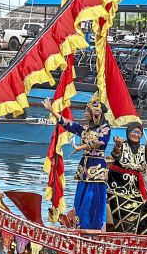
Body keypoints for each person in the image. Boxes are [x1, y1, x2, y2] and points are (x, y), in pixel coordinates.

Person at [43, 97, 110, 231]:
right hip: (85, 166)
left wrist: (80, 148)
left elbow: (100, 142)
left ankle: (93, 226)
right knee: (80, 196)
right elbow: (68, 124)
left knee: (92, 199)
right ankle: (79, 224)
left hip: (97, 167)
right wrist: (51, 110)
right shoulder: (85, 128)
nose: (85, 114)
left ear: (96, 113)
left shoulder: (105, 128)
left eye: (87, 111)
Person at [108, 120, 147, 234]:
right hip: (119, 193)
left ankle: (144, 244)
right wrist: (117, 146)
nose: (136, 135)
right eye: (134, 131)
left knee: (146, 215)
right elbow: (116, 154)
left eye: (139, 132)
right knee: (127, 225)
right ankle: (126, 245)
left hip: (137, 193)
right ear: (128, 133)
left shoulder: (144, 150)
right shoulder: (122, 146)